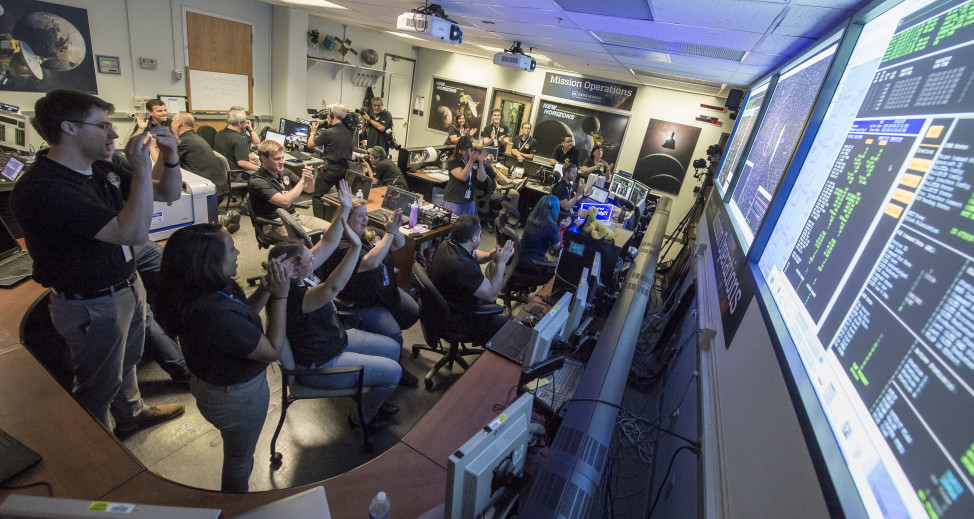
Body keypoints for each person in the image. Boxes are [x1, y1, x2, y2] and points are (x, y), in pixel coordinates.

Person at [11, 89, 185, 435]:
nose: (115, 133)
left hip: (125, 284)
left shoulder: (102, 167)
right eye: (104, 125)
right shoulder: (44, 187)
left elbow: (168, 192)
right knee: (97, 386)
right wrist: (138, 166)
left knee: (128, 362)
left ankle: (132, 414)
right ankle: (103, 456)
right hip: (92, 302)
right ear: (69, 128)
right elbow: (133, 232)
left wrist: (170, 156)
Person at [155, 223, 292, 493]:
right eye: (231, 248)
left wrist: (265, 289)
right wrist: (281, 294)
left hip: (217, 388)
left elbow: (242, 319)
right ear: (209, 261)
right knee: (239, 459)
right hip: (236, 398)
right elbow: (273, 349)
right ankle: (234, 506)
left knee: (239, 451)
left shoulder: (203, 291)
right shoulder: (213, 314)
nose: (239, 251)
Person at [270, 184, 402, 431]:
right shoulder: (296, 297)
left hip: (335, 338)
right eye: (308, 257)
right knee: (394, 371)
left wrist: (345, 207)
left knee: (393, 348)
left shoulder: (300, 273)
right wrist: (354, 247)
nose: (314, 257)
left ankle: (374, 393)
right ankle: (362, 417)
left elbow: (329, 240)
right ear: (295, 267)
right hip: (323, 362)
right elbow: (333, 287)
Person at [319, 198, 420, 387]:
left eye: (366, 215)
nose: (365, 220)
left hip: (385, 291)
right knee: (394, 334)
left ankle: (384, 348)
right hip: (364, 301)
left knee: (413, 311)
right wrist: (389, 233)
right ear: (345, 219)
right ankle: (396, 366)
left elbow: (397, 244)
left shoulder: (367, 234)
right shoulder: (340, 245)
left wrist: (394, 228)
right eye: (360, 216)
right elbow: (369, 262)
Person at [428, 214, 514, 338]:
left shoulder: (447, 244)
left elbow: (472, 253)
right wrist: (501, 262)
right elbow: (492, 294)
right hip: (458, 319)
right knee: (508, 329)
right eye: (479, 235)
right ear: (474, 238)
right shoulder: (464, 267)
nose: (480, 237)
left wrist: (490, 255)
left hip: (443, 307)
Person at [133, 241, 191, 384]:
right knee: (139, 313)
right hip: (97, 259)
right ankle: (184, 371)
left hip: (126, 244)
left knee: (180, 270)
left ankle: (172, 331)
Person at [247, 140, 329, 240]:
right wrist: (303, 180)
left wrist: (310, 178)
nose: (282, 162)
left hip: (294, 216)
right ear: (263, 158)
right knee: (315, 240)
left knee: (334, 230)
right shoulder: (257, 181)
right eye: (277, 159)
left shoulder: (284, 172)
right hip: (275, 223)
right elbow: (285, 202)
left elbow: (309, 189)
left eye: (283, 158)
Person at [170, 112, 228, 203]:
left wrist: (152, 146)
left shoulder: (184, 141)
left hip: (208, 193)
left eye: (172, 121)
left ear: (179, 123)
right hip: (217, 189)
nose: (170, 125)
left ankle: (220, 217)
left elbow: (163, 163)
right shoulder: (193, 137)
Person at [308, 103, 354, 199]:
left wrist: (313, 132)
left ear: (333, 115)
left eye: (328, 114)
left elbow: (310, 145)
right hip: (344, 169)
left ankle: (318, 215)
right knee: (343, 197)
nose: (327, 117)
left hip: (330, 170)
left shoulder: (328, 133)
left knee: (317, 196)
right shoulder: (350, 132)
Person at [443, 136, 487, 216]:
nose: (463, 152)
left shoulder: (476, 160)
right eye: (461, 149)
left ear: (471, 149)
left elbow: (482, 178)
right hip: (454, 200)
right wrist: (470, 161)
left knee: (469, 227)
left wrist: (480, 162)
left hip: (469, 201)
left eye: (466, 150)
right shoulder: (453, 161)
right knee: (454, 226)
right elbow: (463, 177)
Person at [519, 195, 562, 276]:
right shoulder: (551, 226)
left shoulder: (531, 217)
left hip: (519, 257)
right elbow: (557, 248)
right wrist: (562, 229)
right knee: (557, 271)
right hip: (533, 263)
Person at [550, 163, 593, 239]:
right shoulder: (560, 188)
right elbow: (566, 207)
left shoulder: (568, 186)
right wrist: (578, 193)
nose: (576, 175)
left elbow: (574, 202)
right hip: (563, 218)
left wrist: (583, 196)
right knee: (586, 232)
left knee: (589, 226)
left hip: (569, 216)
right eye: (573, 173)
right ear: (566, 174)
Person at [213, 107, 260, 175]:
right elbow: (242, 163)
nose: (246, 125)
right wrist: (260, 169)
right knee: (264, 177)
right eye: (245, 123)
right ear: (240, 123)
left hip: (222, 173)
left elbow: (229, 154)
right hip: (235, 175)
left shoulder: (219, 133)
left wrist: (247, 157)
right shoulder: (240, 139)